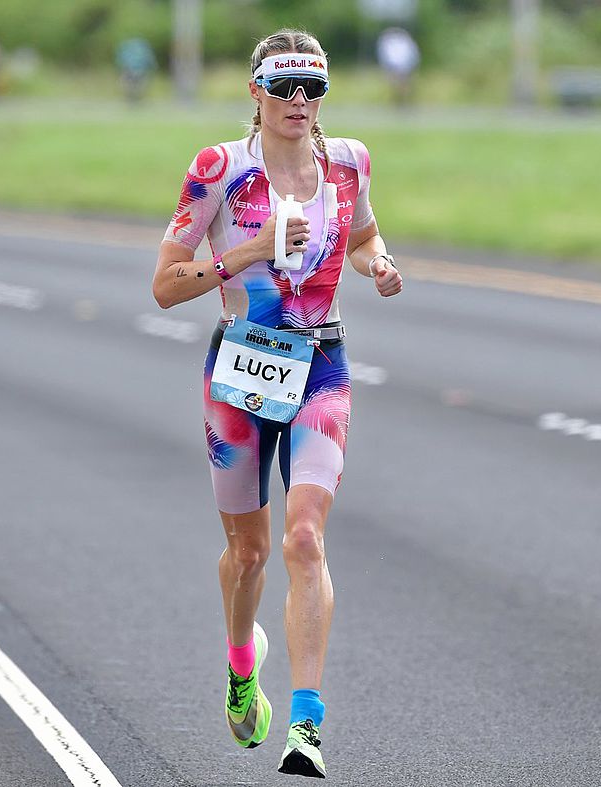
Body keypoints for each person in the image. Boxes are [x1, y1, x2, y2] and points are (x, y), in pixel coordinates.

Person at [152, 28, 402, 779]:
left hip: (321, 362)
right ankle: (239, 666)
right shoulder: (218, 170)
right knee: (250, 551)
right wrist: (250, 251)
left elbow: (361, 236)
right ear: (254, 91)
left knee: (303, 538)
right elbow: (166, 285)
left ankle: (307, 726)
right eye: (283, 85)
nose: (299, 101)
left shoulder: (350, 162)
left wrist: (379, 262)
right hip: (240, 366)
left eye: (314, 88)